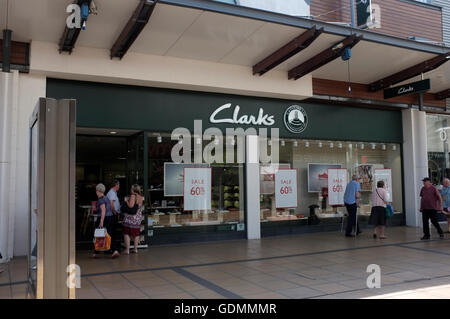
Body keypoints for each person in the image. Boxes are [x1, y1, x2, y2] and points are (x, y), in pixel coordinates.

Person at [92, 183, 120, 258]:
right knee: (109, 235)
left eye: (96, 190)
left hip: (104, 218)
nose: (96, 192)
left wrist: (101, 221)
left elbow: (103, 210)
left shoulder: (101, 199)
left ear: (98, 191)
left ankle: (95, 252)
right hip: (110, 217)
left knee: (97, 235)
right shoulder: (106, 198)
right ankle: (115, 251)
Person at [122, 184, 144, 255]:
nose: (130, 189)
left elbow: (131, 206)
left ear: (134, 189)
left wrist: (126, 201)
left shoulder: (133, 196)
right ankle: (135, 249)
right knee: (136, 234)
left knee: (126, 233)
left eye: (131, 188)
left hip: (130, 218)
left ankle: (127, 250)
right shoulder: (141, 197)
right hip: (138, 218)